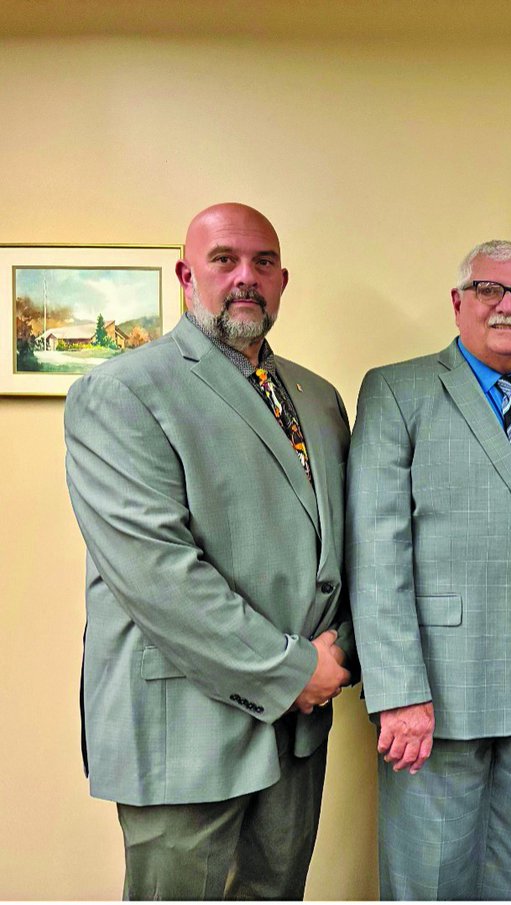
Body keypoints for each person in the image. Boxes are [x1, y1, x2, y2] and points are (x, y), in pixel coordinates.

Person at [64, 203, 354, 900]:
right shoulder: (121, 392)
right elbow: (160, 576)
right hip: (185, 728)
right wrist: (295, 670)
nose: (245, 276)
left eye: (263, 262)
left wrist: (341, 652)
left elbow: (345, 549)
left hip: (298, 733)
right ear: (187, 275)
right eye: (225, 259)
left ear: (283, 280)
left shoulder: (318, 398)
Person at [347, 239, 511, 900]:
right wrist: (397, 690)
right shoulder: (398, 390)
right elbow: (376, 553)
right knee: (431, 876)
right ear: (458, 301)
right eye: (489, 289)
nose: (506, 305)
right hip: (437, 690)